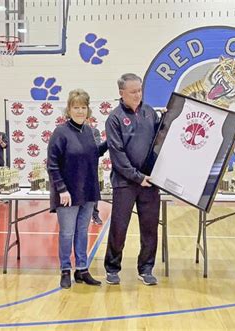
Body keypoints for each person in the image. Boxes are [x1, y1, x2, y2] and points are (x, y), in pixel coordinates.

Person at [104, 73, 161, 286]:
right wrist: (138, 177)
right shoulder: (115, 118)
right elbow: (117, 155)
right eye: (133, 91)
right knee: (119, 226)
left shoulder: (150, 113)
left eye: (140, 90)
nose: (138, 95)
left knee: (150, 228)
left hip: (150, 183)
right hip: (125, 183)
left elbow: (160, 143)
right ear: (121, 93)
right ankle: (112, 268)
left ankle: (146, 269)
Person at [47, 89, 108, 289]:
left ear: (88, 109)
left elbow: (93, 153)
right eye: (76, 107)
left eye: (83, 107)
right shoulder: (61, 132)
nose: (80, 111)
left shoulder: (90, 131)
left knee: (83, 231)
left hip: (88, 190)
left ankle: (82, 269)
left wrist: (111, 143)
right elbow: (53, 164)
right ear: (69, 109)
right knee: (66, 233)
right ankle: (65, 270)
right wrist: (62, 189)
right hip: (68, 193)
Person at [90, 125, 104, 225]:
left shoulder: (94, 131)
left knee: (93, 194)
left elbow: (97, 149)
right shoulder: (67, 132)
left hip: (91, 170)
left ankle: (95, 215)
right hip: (74, 170)